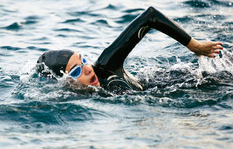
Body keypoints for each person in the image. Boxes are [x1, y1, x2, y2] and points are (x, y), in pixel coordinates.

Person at [36, 6, 223, 93]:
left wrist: (194, 45)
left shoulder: (107, 65)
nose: (87, 68)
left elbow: (149, 16)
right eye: (76, 70)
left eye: (83, 60)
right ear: (64, 82)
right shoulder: (73, 101)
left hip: (191, 80)